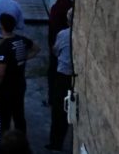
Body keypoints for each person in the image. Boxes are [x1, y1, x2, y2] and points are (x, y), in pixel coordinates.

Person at [0, 13, 39, 134]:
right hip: (20, 84)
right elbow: (36, 48)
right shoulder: (21, 40)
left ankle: (5, 144)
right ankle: (21, 143)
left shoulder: (4, 47)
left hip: (6, 88)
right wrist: (23, 58)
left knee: (4, 119)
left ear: (1, 26)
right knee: (19, 115)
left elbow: (0, 72)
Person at [47, 9, 73, 152]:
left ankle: (56, 142)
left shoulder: (63, 34)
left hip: (63, 74)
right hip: (75, 75)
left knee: (58, 111)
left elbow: (56, 51)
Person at [47, 0, 74, 113]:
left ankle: (53, 100)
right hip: (68, 43)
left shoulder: (56, 8)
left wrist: (52, 44)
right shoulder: (72, 5)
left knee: (54, 74)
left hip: (58, 43)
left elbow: (52, 26)